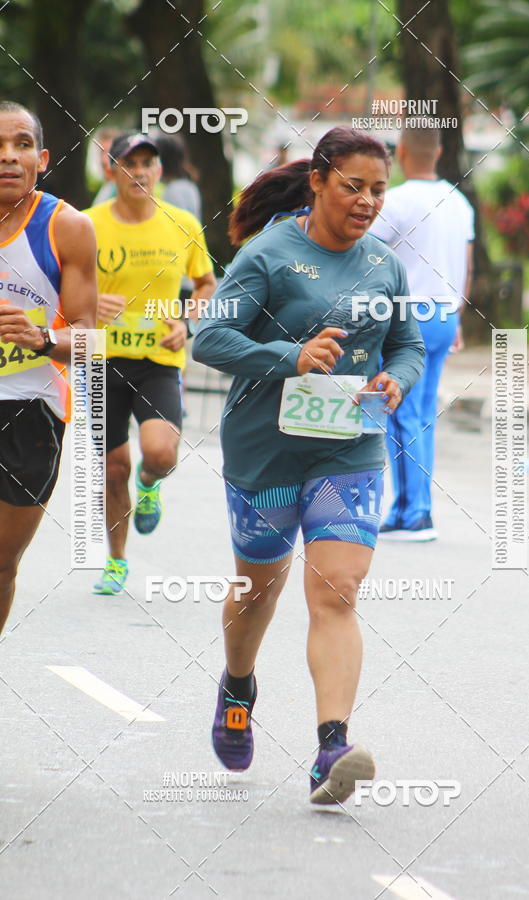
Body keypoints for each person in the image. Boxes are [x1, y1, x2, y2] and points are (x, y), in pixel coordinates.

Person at [193, 127, 425, 805]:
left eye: (379, 189)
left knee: (336, 591)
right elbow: (211, 336)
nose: (367, 201)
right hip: (265, 447)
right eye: (353, 186)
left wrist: (399, 380)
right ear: (319, 181)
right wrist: (288, 358)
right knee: (259, 590)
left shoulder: (386, 265)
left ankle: (332, 747)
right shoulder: (269, 255)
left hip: (349, 444)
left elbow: (407, 344)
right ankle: (238, 683)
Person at [84, 131, 216, 596]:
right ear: (111, 169)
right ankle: (116, 560)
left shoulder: (182, 223)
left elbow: (204, 284)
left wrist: (188, 322)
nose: (139, 172)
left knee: (159, 454)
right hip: (101, 360)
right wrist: (91, 303)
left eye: (148, 164)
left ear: (160, 171)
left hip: (159, 359)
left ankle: (150, 484)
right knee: (113, 466)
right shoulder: (85, 224)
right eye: (129, 163)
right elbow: (62, 285)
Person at [0, 100, 97, 634]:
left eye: (20, 145)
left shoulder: (68, 227)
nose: (8, 157)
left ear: (43, 157)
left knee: (2, 563)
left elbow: (89, 340)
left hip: (30, 411)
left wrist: (41, 339)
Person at [370, 126, 474, 541]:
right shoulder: (459, 201)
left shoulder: (395, 201)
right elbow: (467, 265)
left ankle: (414, 514)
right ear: (440, 151)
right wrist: (458, 315)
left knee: (400, 413)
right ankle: (413, 508)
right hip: (445, 315)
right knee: (423, 413)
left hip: (406, 316)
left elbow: (368, 257)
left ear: (401, 152)